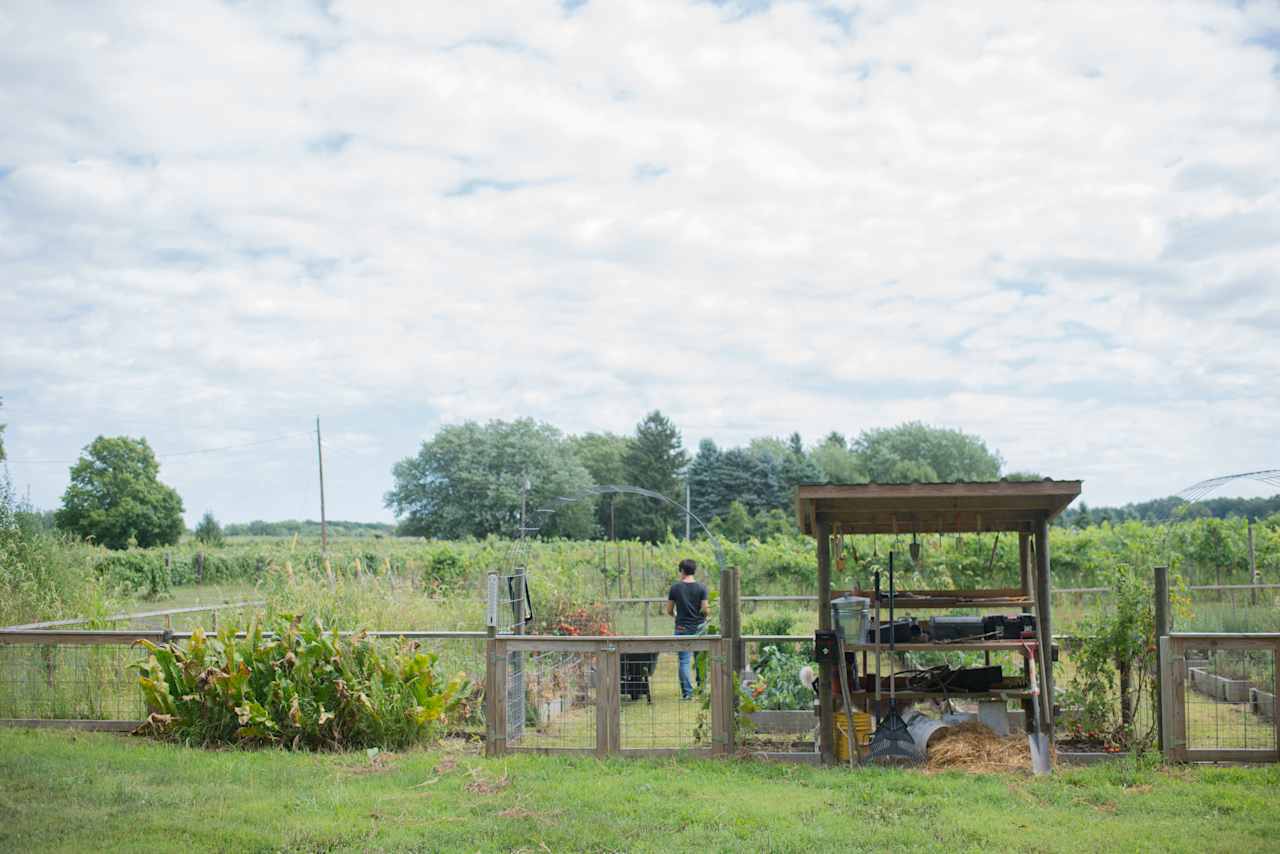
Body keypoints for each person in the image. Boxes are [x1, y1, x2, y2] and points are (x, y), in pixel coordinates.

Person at [666, 558, 709, 700]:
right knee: (700, 660)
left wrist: (676, 615)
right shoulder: (702, 588)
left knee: (684, 660)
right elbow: (705, 610)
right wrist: (702, 616)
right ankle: (701, 689)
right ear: (694, 571)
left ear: (682, 571)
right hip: (699, 628)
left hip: (682, 627)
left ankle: (687, 693)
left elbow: (669, 610)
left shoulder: (675, 588)